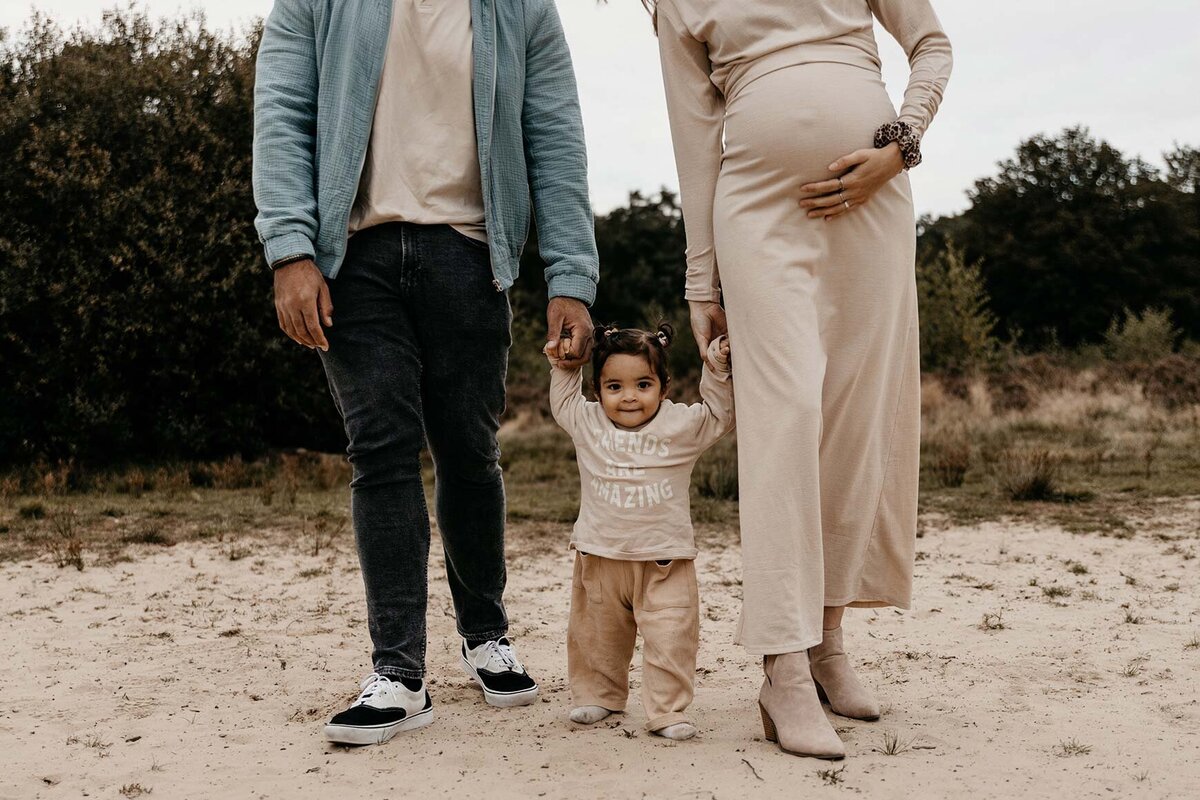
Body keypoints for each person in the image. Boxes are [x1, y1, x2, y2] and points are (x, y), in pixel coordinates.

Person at [252, 0, 599, 746]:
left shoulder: (522, 10)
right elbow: (280, 114)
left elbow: (556, 138)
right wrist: (288, 249)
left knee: (469, 455)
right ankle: (400, 673)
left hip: (470, 256)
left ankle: (486, 635)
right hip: (354, 258)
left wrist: (570, 273)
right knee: (380, 453)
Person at [651, 0, 952, 758]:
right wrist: (699, 283)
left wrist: (901, 146)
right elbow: (693, 133)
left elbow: (932, 45)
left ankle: (827, 641)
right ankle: (781, 671)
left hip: (875, 204)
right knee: (782, 423)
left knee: (854, 421)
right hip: (756, 209)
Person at [546, 323, 735, 741]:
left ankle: (667, 710)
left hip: (664, 562)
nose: (629, 396)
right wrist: (565, 362)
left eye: (643, 384)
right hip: (600, 557)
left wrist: (718, 366)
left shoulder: (679, 427)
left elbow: (721, 415)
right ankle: (600, 694)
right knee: (595, 636)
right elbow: (562, 401)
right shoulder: (588, 423)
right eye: (614, 386)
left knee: (671, 637)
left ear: (664, 387)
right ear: (597, 390)